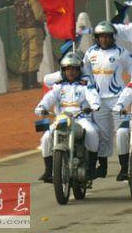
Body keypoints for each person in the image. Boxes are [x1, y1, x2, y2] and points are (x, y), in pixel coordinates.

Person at [35, 53, 101, 183]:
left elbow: (93, 95)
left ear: (79, 70)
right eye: (68, 69)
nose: (71, 72)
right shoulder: (58, 87)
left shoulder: (85, 85)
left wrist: (94, 105)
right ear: (63, 70)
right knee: (46, 137)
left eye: (74, 69)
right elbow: (48, 99)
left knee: (92, 132)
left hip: (81, 118)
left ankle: (92, 168)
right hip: (62, 119)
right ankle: (48, 170)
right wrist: (41, 107)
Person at [82, 22, 132, 179]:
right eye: (101, 37)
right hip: (98, 100)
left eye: (107, 36)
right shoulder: (90, 53)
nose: (104, 40)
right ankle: (102, 167)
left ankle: (125, 167)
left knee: (122, 132)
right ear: (96, 38)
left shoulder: (122, 53)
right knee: (103, 134)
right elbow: (85, 73)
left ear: (113, 37)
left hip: (118, 98)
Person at [13, 0, 45, 90]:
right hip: (33, 29)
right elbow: (39, 16)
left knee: (25, 53)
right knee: (35, 53)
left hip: (22, 29)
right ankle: (33, 80)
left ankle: (25, 81)